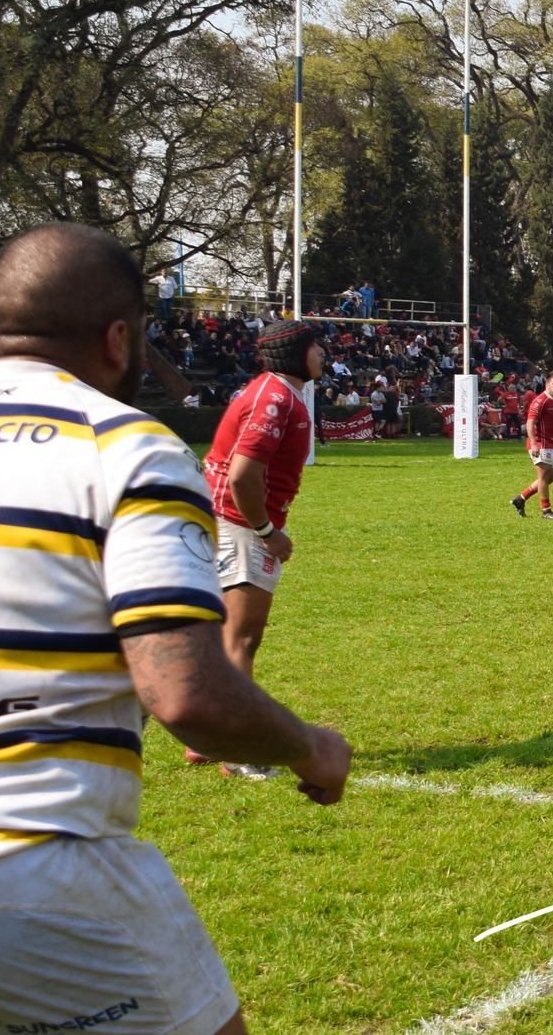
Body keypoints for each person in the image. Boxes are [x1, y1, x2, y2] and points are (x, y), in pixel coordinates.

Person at [0, 223, 349, 1032]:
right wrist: (312, 746)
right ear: (119, 336)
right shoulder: (123, 446)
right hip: (27, 863)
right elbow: (185, 690)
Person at [199, 317, 323, 778]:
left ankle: (206, 739)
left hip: (225, 518)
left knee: (223, 635)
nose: (323, 356)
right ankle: (238, 750)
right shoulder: (274, 399)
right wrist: (268, 531)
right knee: (242, 639)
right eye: (316, 348)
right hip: (238, 523)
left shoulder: (276, 391)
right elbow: (242, 475)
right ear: (295, 352)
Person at [510, 373, 553, 519]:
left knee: (551, 477)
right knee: (543, 477)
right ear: (547, 385)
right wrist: (534, 443)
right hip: (540, 443)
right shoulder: (540, 401)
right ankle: (546, 511)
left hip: (551, 443)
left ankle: (520, 499)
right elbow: (530, 423)